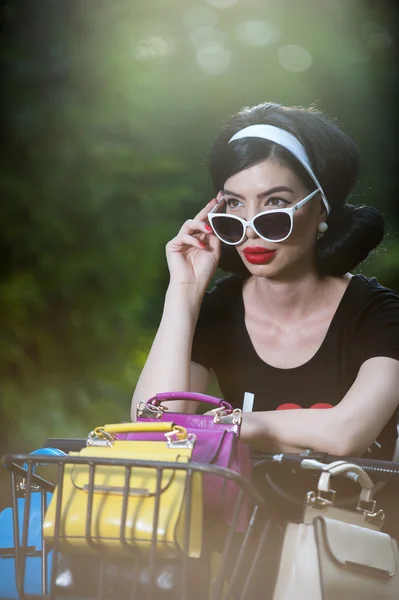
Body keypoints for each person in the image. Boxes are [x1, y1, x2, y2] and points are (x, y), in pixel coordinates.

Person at [131, 101, 399, 464]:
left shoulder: (380, 315)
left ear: (321, 207)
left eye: (275, 201)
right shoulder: (217, 311)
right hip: (236, 516)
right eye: (235, 204)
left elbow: (347, 432)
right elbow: (152, 430)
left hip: (350, 518)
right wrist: (184, 292)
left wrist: (241, 424)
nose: (251, 228)